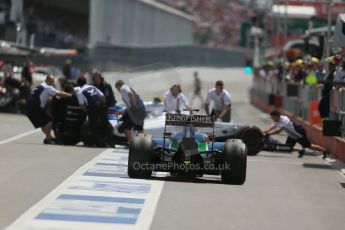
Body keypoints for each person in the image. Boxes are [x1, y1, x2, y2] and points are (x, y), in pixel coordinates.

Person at [26, 75, 72, 144]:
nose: (52, 83)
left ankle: (49, 137)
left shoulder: (40, 86)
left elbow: (42, 96)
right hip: (36, 107)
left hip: (29, 107)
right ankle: (48, 138)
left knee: (44, 123)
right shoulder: (48, 87)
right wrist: (71, 95)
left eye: (53, 82)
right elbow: (60, 93)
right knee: (49, 121)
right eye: (51, 81)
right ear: (47, 80)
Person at [263, 110, 329, 158]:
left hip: (299, 133)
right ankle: (301, 151)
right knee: (287, 147)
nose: (272, 119)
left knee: (309, 146)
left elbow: (279, 131)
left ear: (277, 116)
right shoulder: (276, 121)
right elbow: (270, 128)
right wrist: (263, 132)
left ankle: (325, 151)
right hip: (292, 135)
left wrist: (269, 134)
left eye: (273, 117)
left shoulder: (284, 120)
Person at [76, 77, 112, 147]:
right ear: (86, 82)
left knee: (93, 126)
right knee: (105, 123)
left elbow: (82, 105)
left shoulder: (80, 92)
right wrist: (103, 106)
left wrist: (87, 111)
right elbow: (102, 96)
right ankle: (109, 141)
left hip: (93, 108)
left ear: (78, 84)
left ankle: (98, 143)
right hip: (101, 105)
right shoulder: (92, 87)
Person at [115, 80, 146, 145]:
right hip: (140, 108)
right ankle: (143, 143)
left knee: (126, 127)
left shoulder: (123, 88)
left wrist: (134, 106)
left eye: (117, 88)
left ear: (118, 86)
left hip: (135, 109)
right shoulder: (126, 88)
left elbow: (130, 94)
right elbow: (128, 105)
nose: (118, 91)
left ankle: (130, 143)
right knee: (139, 128)